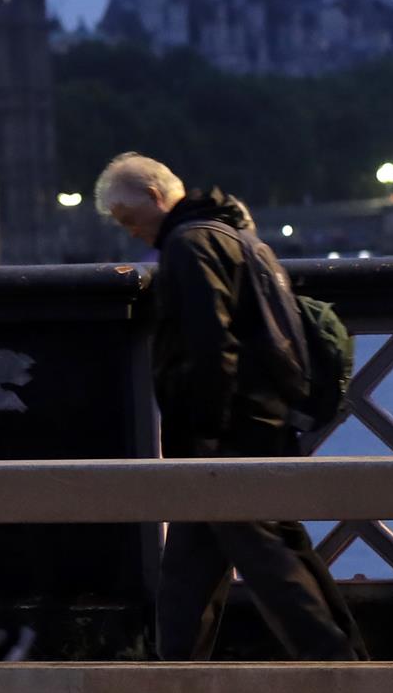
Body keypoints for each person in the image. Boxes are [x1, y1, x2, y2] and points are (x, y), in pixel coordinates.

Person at [94, 153, 363, 662]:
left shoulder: (188, 245)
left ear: (154, 196)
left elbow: (212, 347)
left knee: (272, 566)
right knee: (194, 573)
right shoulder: (233, 233)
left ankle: (343, 671)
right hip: (260, 421)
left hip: (226, 437)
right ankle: (177, 674)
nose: (130, 232)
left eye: (129, 218)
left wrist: (205, 435)